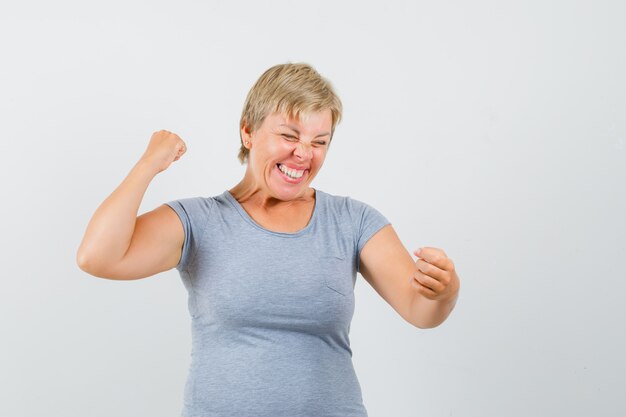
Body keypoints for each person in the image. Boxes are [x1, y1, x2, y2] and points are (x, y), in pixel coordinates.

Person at [76, 62, 460, 417]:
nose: (303, 153)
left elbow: (420, 311)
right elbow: (98, 257)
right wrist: (148, 165)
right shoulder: (199, 221)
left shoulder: (352, 220)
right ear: (248, 131)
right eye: (289, 135)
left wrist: (443, 292)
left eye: (319, 141)